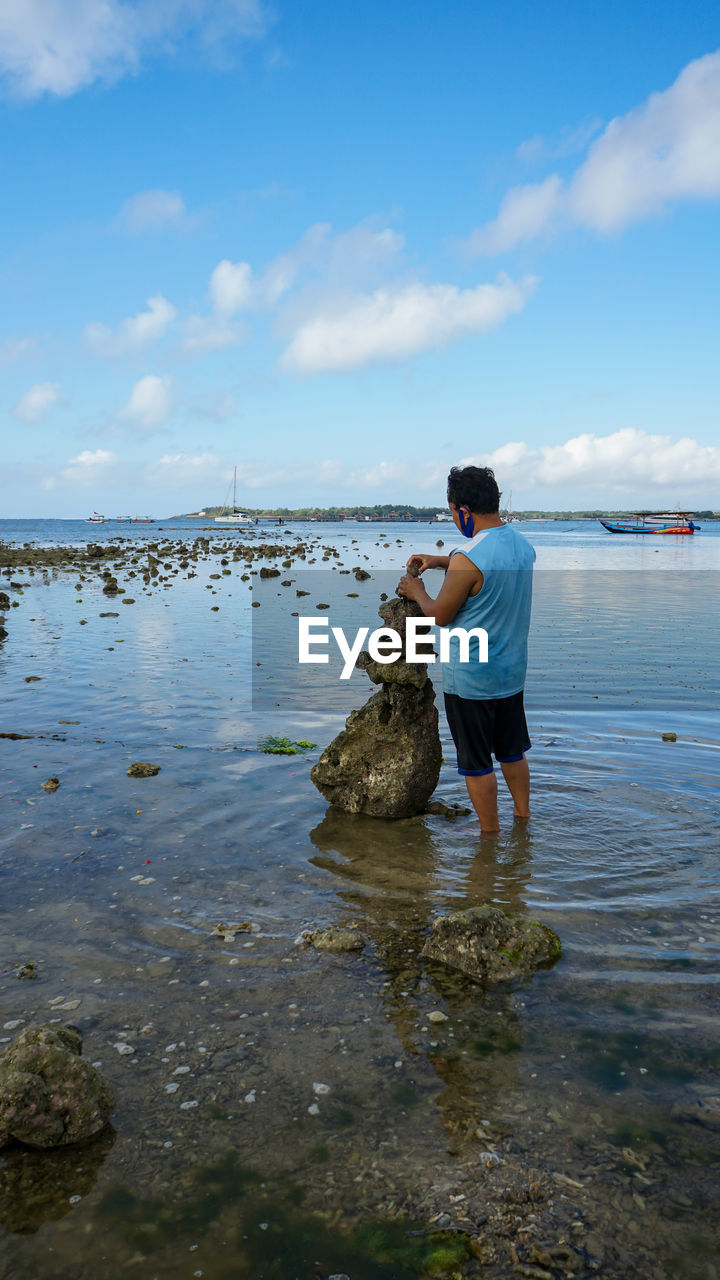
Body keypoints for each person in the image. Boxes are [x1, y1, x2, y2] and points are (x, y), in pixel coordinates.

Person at [396, 465, 535, 833]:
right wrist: (443, 560)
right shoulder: (522, 546)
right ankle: (523, 819)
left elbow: (440, 614)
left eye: (453, 512)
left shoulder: (468, 555)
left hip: (473, 678)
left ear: (463, 510)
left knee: (476, 763)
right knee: (511, 750)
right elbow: (484, 573)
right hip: (510, 672)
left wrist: (417, 591)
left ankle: (489, 839)